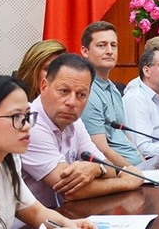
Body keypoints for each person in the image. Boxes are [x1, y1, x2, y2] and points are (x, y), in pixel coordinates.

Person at [0, 73, 95, 229]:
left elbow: (36, 213)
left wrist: (69, 225)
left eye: (27, 115)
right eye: (16, 116)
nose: (27, 126)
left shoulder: (7, 163)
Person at [22, 54, 143, 207]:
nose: (72, 102)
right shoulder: (31, 124)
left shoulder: (75, 122)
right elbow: (70, 191)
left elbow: (109, 167)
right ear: (44, 86)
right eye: (64, 91)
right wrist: (126, 182)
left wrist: (97, 168)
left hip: (61, 216)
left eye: (81, 95)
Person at [79, 21, 144, 166]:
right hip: (121, 174)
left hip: (139, 169)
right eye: (101, 45)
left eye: (113, 45)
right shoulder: (86, 92)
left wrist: (146, 166)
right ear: (85, 51)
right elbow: (101, 149)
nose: (109, 51)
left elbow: (125, 137)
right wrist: (137, 173)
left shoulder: (114, 88)